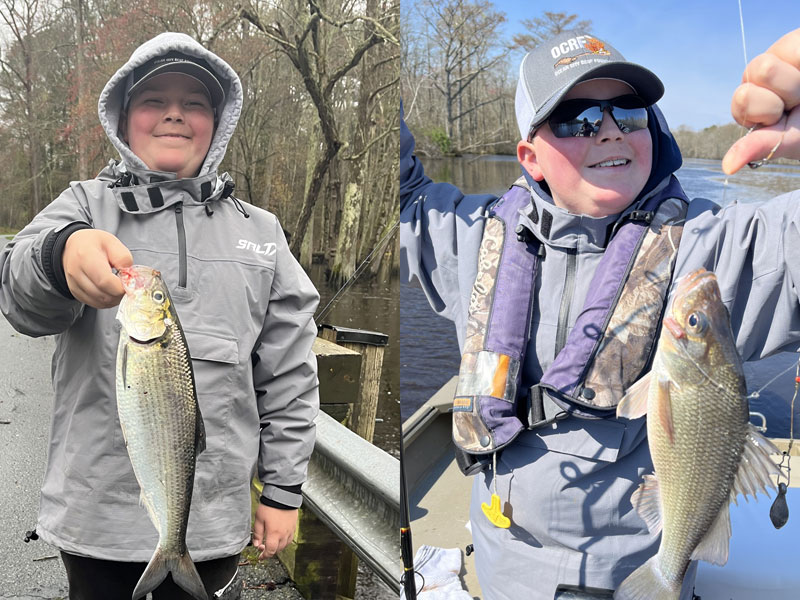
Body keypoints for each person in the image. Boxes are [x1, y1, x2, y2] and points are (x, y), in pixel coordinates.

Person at [400, 28, 800, 600]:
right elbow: (397, 187)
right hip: (504, 563)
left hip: (640, 570)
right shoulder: (468, 237)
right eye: (576, 118)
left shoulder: (713, 248)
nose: (610, 128)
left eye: (630, 112)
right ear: (529, 157)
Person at [0, 32, 320, 599]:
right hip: (94, 518)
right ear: (123, 120)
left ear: (217, 123)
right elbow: (18, 294)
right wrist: (60, 254)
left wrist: (282, 490)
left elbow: (290, 374)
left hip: (213, 522)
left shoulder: (263, 234)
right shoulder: (81, 205)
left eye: (194, 103)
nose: (175, 114)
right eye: (154, 101)